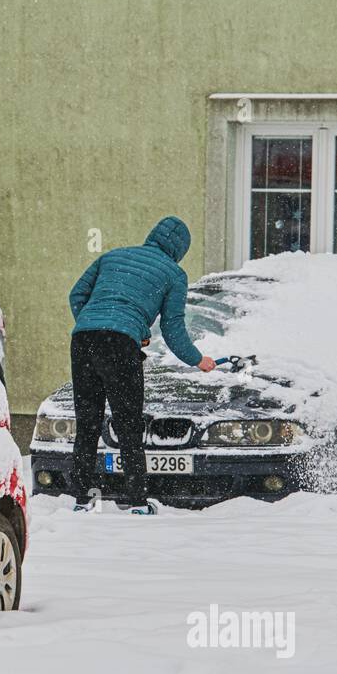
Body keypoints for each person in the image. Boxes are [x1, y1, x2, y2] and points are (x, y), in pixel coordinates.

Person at [67, 215, 215, 514]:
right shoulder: (173, 274)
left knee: (88, 421)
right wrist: (198, 359)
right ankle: (136, 500)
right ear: (179, 250)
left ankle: (82, 498)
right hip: (120, 346)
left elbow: (77, 294)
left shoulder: (113, 256)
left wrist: (96, 323)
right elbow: (173, 326)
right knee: (128, 424)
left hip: (83, 339)